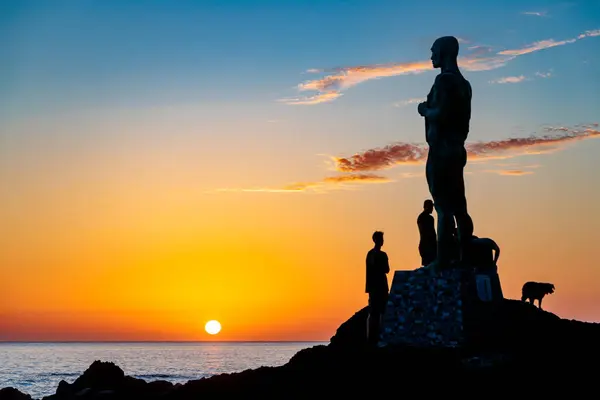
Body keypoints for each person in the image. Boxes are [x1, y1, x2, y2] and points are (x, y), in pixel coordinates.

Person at [417, 35, 474, 272]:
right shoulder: (465, 84)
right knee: (460, 207)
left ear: (444, 53)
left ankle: (441, 261)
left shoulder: (444, 82)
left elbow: (439, 113)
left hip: (441, 150)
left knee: (442, 207)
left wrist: (424, 110)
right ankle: (465, 257)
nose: (431, 56)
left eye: (434, 51)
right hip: (458, 150)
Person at [365, 231, 390, 345]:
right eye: (381, 239)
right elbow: (386, 269)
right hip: (378, 286)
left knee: (376, 312)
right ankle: (375, 337)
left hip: (376, 287)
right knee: (379, 312)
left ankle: (373, 337)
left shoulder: (371, 254)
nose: (382, 241)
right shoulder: (379, 255)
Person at [417, 199, 437, 266]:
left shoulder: (429, 218)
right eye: (431, 206)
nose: (432, 208)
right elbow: (425, 232)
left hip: (430, 245)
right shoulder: (422, 218)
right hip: (427, 246)